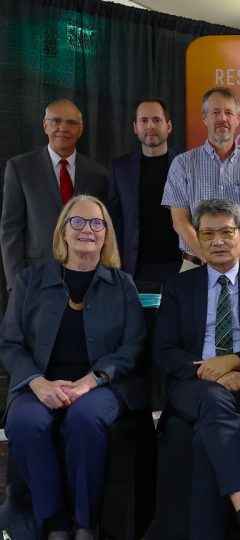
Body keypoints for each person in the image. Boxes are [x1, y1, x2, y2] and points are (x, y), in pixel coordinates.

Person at [0, 195, 145, 540]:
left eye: (96, 223)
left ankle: (85, 522)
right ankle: (56, 523)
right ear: (62, 231)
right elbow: (10, 343)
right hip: (40, 382)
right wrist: (38, 383)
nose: (87, 230)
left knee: (84, 420)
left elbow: (133, 346)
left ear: (106, 234)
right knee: (24, 422)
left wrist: (91, 381)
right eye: (77, 221)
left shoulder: (122, 284)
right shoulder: (29, 281)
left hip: (100, 385)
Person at [154, 198, 240, 540]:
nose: (218, 241)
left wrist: (233, 362)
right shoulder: (178, 286)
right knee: (213, 399)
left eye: (226, 232)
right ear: (197, 239)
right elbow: (165, 351)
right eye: (208, 233)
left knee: (206, 435)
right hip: (192, 383)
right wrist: (211, 371)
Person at [2, 99, 108, 290]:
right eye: (56, 121)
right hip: (35, 277)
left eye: (71, 123)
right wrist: (18, 284)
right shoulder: (20, 168)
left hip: (87, 278)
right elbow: (11, 231)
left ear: (80, 129)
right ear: (45, 126)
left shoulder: (99, 174)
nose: (63, 128)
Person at [161, 87, 240, 271]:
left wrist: (237, 266)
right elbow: (180, 221)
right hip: (196, 265)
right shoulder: (182, 164)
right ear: (205, 118)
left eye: (229, 113)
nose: (222, 118)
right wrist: (209, 260)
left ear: (238, 118)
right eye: (215, 112)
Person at [108, 97, 180, 283]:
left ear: (169, 126)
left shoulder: (186, 165)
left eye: (156, 120)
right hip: (135, 269)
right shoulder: (120, 168)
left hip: (180, 266)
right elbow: (114, 222)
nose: (150, 126)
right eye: (144, 120)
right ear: (135, 127)